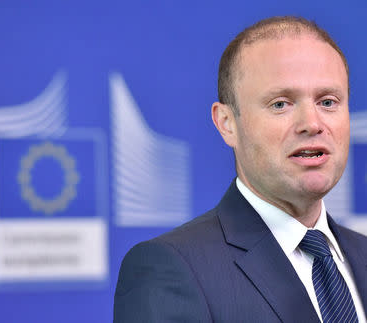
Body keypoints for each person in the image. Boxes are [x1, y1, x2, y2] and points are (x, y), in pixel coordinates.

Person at [114, 16, 367, 322]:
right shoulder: (171, 270)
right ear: (227, 123)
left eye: (328, 102)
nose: (312, 124)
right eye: (280, 104)